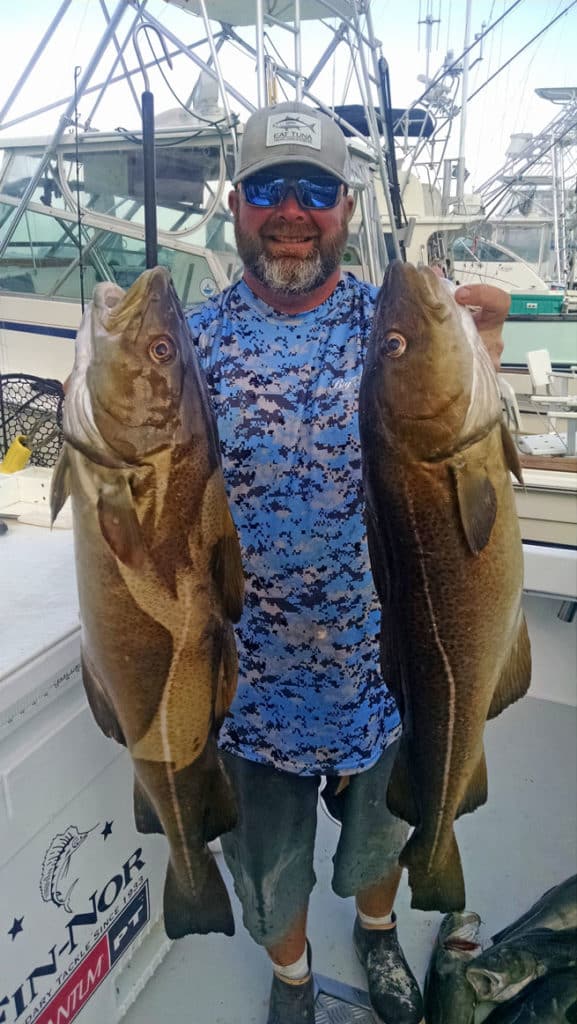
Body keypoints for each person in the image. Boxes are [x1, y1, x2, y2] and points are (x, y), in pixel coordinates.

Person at [187, 101, 511, 1024]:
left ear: (349, 206)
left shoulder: (400, 331)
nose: (292, 210)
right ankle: (293, 983)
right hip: (247, 695)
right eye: (267, 189)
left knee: (384, 844)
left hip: (393, 674)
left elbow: (476, 468)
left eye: (317, 189)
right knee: (267, 874)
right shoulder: (191, 347)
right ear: (235, 204)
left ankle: (378, 938)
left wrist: (481, 351)